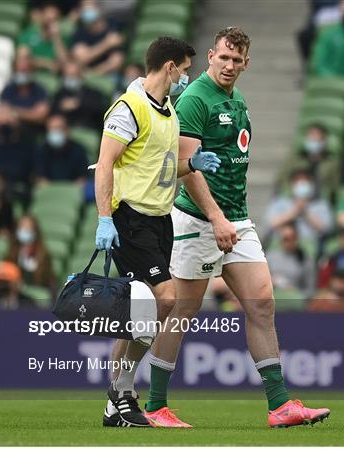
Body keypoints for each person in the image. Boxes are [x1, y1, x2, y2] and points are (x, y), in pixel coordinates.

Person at [144, 27, 330, 429]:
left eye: (237, 60)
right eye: (223, 57)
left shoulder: (238, 97)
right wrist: (215, 217)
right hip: (199, 218)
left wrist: (230, 218)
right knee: (182, 312)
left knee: (262, 303)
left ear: (247, 63)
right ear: (211, 56)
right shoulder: (195, 99)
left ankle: (279, 405)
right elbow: (186, 168)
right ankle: (155, 404)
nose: (229, 66)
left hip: (237, 219)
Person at [94, 37, 220, 428]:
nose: (186, 76)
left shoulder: (167, 112)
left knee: (142, 311)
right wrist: (104, 219)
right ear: (169, 66)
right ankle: (123, 392)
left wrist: (191, 164)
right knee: (164, 301)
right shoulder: (128, 108)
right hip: (131, 218)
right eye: (184, 69)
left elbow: (161, 167)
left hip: (159, 219)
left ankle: (116, 401)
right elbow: (104, 164)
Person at [266, 168, 334, 242]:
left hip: (311, 246)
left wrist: (305, 212)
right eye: (298, 180)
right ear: (291, 184)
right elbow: (270, 224)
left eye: (306, 180)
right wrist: (294, 212)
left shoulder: (321, 205)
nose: (301, 184)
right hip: (282, 246)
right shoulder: (279, 202)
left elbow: (326, 229)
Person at [0, 105, 37, 206]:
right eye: (1, 120)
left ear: (16, 122)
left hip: (17, 190)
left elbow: (26, 172)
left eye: (8, 120)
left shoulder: (27, 146)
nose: (4, 123)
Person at [0, 51, 49, 140]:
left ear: (31, 71)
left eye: (25, 71)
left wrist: (16, 113)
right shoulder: (8, 89)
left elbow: (41, 115)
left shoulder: (40, 90)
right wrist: (29, 113)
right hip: (13, 133)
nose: (22, 74)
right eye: (19, 70)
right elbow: (4, 114)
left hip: (33, 133)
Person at [70, 0, 125, 75]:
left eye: (90, 5)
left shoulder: (114, 25)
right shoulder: (79, 33)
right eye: (84, 6)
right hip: (84, 78)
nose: (87, 9)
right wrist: (107, 44)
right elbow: (82, 58)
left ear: (99, 8)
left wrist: (93, 73)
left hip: (110, 76)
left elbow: (116, 61)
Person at [266, 222, 316, 299]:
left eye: (291, 238)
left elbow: (310, 291)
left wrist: (295, 293)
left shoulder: (305, 261)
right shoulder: (270, 257)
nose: (288, 242)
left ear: (296, 239)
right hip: (271, 298)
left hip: (294, 302)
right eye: (285, 239)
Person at [51, 59, 107, 128]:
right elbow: (52, 111)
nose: (72, 78)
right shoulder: (60, 93)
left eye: (75, 75)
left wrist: (79, 104)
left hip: (88, 128)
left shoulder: (92, 92)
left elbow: (101, 108)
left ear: (81, 74)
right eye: (69, 75)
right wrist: (61, 107)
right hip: (66, 130)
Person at [35, 114, 89, 184]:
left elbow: (82, 179)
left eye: (58, 128)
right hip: (50, 191)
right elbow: (41, 179)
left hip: (72, 191)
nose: (55, 132)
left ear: (67, 130)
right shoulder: (42, 150)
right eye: (52, 129)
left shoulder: (78, 150)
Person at [5, 215, 55, 291]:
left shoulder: (44, 255)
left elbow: (45, 278)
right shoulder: (12, 252)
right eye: (22, 227)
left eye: (28, 227)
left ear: (35, 231)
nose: (24, 230)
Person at [18, 2, 69, 73]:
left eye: (54, 19)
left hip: (53, 78)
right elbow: (23, 58)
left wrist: (56, 38)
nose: (50, 22)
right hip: (31, 74)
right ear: (42, 16)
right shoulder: (29, 33)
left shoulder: (62, 38)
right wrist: (48, 64)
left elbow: (64, 63)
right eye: (48, 19)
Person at [299, 123, 338, 195]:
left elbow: (335, 186)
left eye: (317, 135)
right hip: (295, 199)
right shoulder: (296, 159)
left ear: (324, 140)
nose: (314, 138)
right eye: (311, 135)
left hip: (320, 199)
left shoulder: (332, 162)